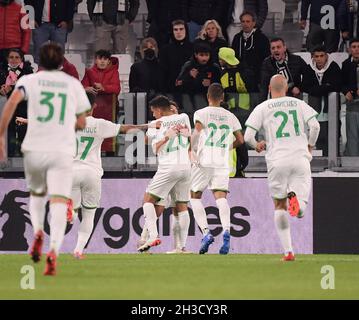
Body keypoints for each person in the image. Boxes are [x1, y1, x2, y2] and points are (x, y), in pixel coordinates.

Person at [0, 43, 89, 275]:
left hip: (34, 147)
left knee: (37, 194)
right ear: (61, 62)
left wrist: (1, 136)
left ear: (39, 60)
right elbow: (81, 122)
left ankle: (38, 230)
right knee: (59, 200)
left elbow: (11, 104)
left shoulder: (29, 80)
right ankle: (54, 250)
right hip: (61, 149)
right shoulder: (72, 84)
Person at [65, 92, 159, 258]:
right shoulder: (99, 124)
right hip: (92, 172)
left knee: (74, 206)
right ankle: (78, 250)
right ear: (94, 106)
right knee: (89, 215)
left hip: (72, 171)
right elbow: (125, 128)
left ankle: (71, 211)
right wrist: (148, 126)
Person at [244, 75, 320, 261]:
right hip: (300, 158)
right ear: (286, 88)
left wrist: (256, 145)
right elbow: (315, 126)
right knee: (301, 207)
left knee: (279, 205)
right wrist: (309, 145)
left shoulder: (262, 107)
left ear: (269, 88)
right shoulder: (298, 103)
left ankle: (288, 251)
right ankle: (299, 206)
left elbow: (247, 137)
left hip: (277, 160)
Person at [190, 83, 244, 255]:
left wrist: (192, 150)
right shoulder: (230, 116)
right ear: (222, 98)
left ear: (208, 96)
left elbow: (197, 133)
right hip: (222, 161)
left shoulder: (201, 113)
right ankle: (227, 232)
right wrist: (228, 147)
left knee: (194, 196)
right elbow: (241, 140)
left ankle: (206, 233)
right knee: (221, 198)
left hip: (205, 160)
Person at [138, 95, 192, 252]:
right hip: (185, 167)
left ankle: (152, 236)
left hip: (169, 166)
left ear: (159, 110)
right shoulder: (184, 117)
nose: (153, 115)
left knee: (148, 200)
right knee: (182, 206)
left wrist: (164, 136)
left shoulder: (156, 124)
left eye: (153, 111)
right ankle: (181, 248)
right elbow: (188, 138)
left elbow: (153, 147)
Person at [302, 45, 341, 156]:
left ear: (326, 56)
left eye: (321, 56)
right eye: (316, 56)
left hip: (331, 110)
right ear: (313, 57)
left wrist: (317, 89)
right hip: (315, 110)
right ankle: (321, 158)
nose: (319, 59)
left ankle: (333, 158)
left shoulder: (333, 67)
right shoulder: (309, 69)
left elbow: (337, 85)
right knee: (318, 136)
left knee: (332, 135)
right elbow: (306, 87)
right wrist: (326, 87)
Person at [82, 50, 121, 155]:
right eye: (100, 58)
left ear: (108, 61)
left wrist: (103, 87)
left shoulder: (114, 72)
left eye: (105, 59)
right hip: (94, 109)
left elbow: (116, 88)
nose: (102, 61)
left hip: (110, 109)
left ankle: (110, 154)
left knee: (109, 133)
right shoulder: (89, 72)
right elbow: (82, 87)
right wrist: (87, 88)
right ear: (96, 60)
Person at [0, 49, 33, 156]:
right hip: (7, 108)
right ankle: (9, 157)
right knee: (9, 135)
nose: (14, 60)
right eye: (11, 57)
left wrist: (13, 88)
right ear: (7, 59)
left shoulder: (28, 72)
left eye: (17, 57)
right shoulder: (2, 70)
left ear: (21, 59)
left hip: (23, 108)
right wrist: (1, 90)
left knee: (23, 134)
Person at [176, 41, 221, 115]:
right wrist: (189, 76)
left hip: (209, 103)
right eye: (201, 55)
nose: (204, 58)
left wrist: (211, 83)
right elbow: (178, 83)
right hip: (190, 103)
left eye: (207, 55)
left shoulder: (214, 67)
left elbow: (221, 84)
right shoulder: (188, 65)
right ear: (196, 55)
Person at [231, 11, 270, 92]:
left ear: (253, 23)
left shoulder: (262, 38)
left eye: (248, 21)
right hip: (239, 76)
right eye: (243, 21)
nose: (245, 24)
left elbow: (266, 58)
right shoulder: (237, 38)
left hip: (257, 77)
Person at [159, 19, 193, 95]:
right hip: (170, 91)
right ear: (172, 31)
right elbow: (163, 73)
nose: (178, 32)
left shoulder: (193, 48)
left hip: (191, 91)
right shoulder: (165, 50)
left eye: (181, 29)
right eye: (175, 29)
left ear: (186, 30)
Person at [342, 38, 359, 156]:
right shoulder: (346, 64)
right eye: (354, 47)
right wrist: (346, 91)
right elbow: (342, 82)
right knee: (352, 133)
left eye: (358, 46)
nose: (357, 49)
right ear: (349, 49)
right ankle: (353, 158)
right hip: (352, 103)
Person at [0, 0, 31, 65]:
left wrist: (23, 50)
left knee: (16, 75)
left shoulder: (20, 9)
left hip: (15, 50)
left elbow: (26, 31)